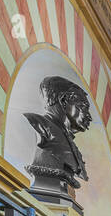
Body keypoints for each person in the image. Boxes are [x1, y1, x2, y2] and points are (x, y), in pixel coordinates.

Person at [24, 75, 93, 206]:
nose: (88, 117)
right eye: (83, 107)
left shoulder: (70, 142)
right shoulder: (39, 124)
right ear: (64, 101)